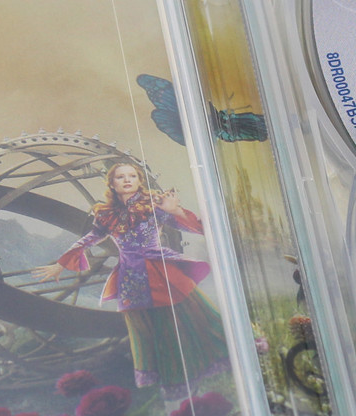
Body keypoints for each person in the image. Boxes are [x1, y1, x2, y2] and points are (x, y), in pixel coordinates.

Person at [37, 163, 228, 391]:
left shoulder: (154, 203)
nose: (127, 180)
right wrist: (61, 263)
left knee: (183, 319)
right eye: (120, 177)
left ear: (139, 180)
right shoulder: (106, 214)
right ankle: (173, 380)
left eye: (132, 176)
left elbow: (194, 227)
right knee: (144, 329)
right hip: (130, 277)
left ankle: (208, 364)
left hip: (161, 270)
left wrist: (175, 210)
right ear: (112, 184)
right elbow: (90, 238)